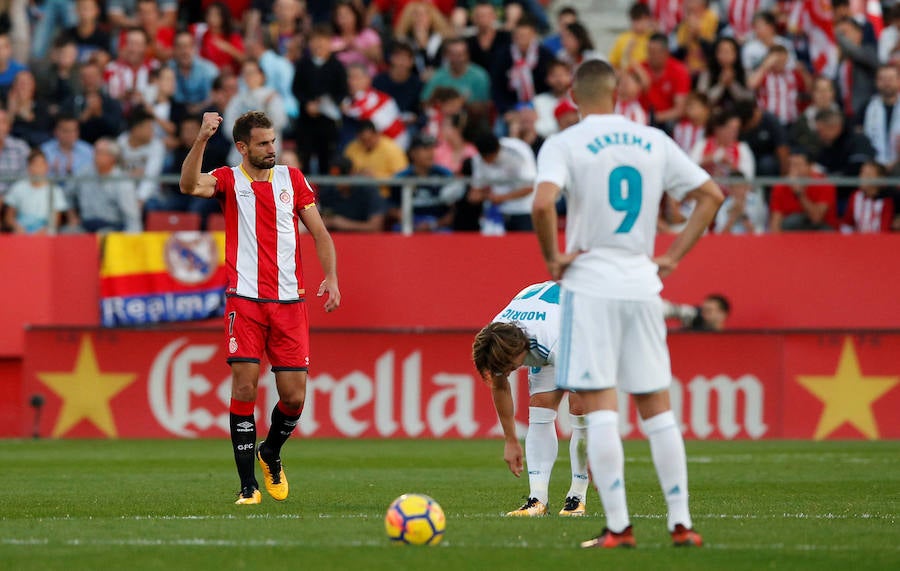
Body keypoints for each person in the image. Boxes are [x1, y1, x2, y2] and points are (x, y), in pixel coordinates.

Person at [531, 59, 722, 549]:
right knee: (658, 410)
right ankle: (681, 524)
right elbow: (711, 195)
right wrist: (672, 257)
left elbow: (542, 203)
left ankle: (619, 528)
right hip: (642, 284)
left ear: (574, 96)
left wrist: (553, 258)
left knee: (600, 412)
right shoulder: (653, 140)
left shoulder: (565, 142)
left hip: (590, 286)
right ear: (617, 94)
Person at [179, 111, 341, 505]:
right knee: (244, 386)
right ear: (242, 147)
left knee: (294, 398)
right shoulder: (228, 179)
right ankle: (248, 485)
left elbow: (320, 232)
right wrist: (201, 139)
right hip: (245, 299)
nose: (272, 149)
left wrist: (332, 277)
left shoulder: (292, 179)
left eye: (273, 141)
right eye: (263, 143)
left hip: (290, 303)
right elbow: (188, 185)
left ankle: (270, 451)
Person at [472, 281, 589, 517]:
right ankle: (537, 500)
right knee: (540, 405)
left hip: (584, 326)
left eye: (508, 366)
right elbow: (500, 386)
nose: (507, 371)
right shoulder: (496, 341)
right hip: (549, 316)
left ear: (520, 351)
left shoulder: (553, 342)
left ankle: (577, 496)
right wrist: (510, 440)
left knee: (580, 408)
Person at [391, 134, 464, 231]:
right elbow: (392, 208)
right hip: (409, 223)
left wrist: (433, 225)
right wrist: (409, 222)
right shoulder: (401, 178)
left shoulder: (445, 175)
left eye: (432, 148)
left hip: (438, 225)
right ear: (413, 153)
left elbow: (453, 211)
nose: (431, 153)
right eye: (426, 149)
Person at [71, 138, 142, 233]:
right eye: (95, 152)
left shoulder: (123, 181)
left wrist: (131, 237)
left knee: (103, 233)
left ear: (112, 157)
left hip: (112, 227)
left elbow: (131, 216)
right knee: (67, 232)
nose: (95, 156)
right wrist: (72, 216)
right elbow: (67, 194)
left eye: (100, 153)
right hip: (85, 226)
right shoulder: (83, 173)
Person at [471, 132, 537, 232]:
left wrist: (502, 197)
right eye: (484, 158)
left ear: (497, 151)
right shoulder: (478, 158)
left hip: (523, 210)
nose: (487, 162)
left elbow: (531, 186)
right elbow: (475, 192)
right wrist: (485, 195)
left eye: (489, 158)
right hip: (496, 213)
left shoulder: (517, 153)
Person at [2, 149, 73, 234]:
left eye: (41, 165)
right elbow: (8, 217)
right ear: (29, 168)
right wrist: (17, 227)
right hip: (21, 235)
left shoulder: (55, 190)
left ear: (47, 167)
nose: (38, 169)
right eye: (35, 165)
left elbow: (56, 220)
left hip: (45, 236)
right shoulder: (18, 188)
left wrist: (44, 231)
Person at [769, 149, 838, 232]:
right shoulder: (780, 186)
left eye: (798, 165)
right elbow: (775, 223)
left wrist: (799, 194)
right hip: (793, 233)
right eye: (790, 165)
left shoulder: (824, 184)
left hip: (822, 231)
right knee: (791, 222)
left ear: (810, 166)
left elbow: (816, 219)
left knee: (795, 221)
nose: (793, 170)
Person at [840, 161, 896, 233]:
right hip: (857, 238)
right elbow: (847, 223)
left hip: (879, 239)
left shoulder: (888, 200)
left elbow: (885, 230)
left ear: (880, 179)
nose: (862, 178)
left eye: (868, 175)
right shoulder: (855, 196)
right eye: (862, 173)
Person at [862, 65, 900, 170]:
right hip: (874, 165)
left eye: (891, 79)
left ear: (898, 81)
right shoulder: (867, 106)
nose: (887, 83)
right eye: (883, 79)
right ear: (876, 82)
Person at [663, 294, 731, 331]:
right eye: (702, 310)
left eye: (709, 310)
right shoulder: (689, 333)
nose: (703, 313)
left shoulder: (730, 339)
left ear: (722, 314)